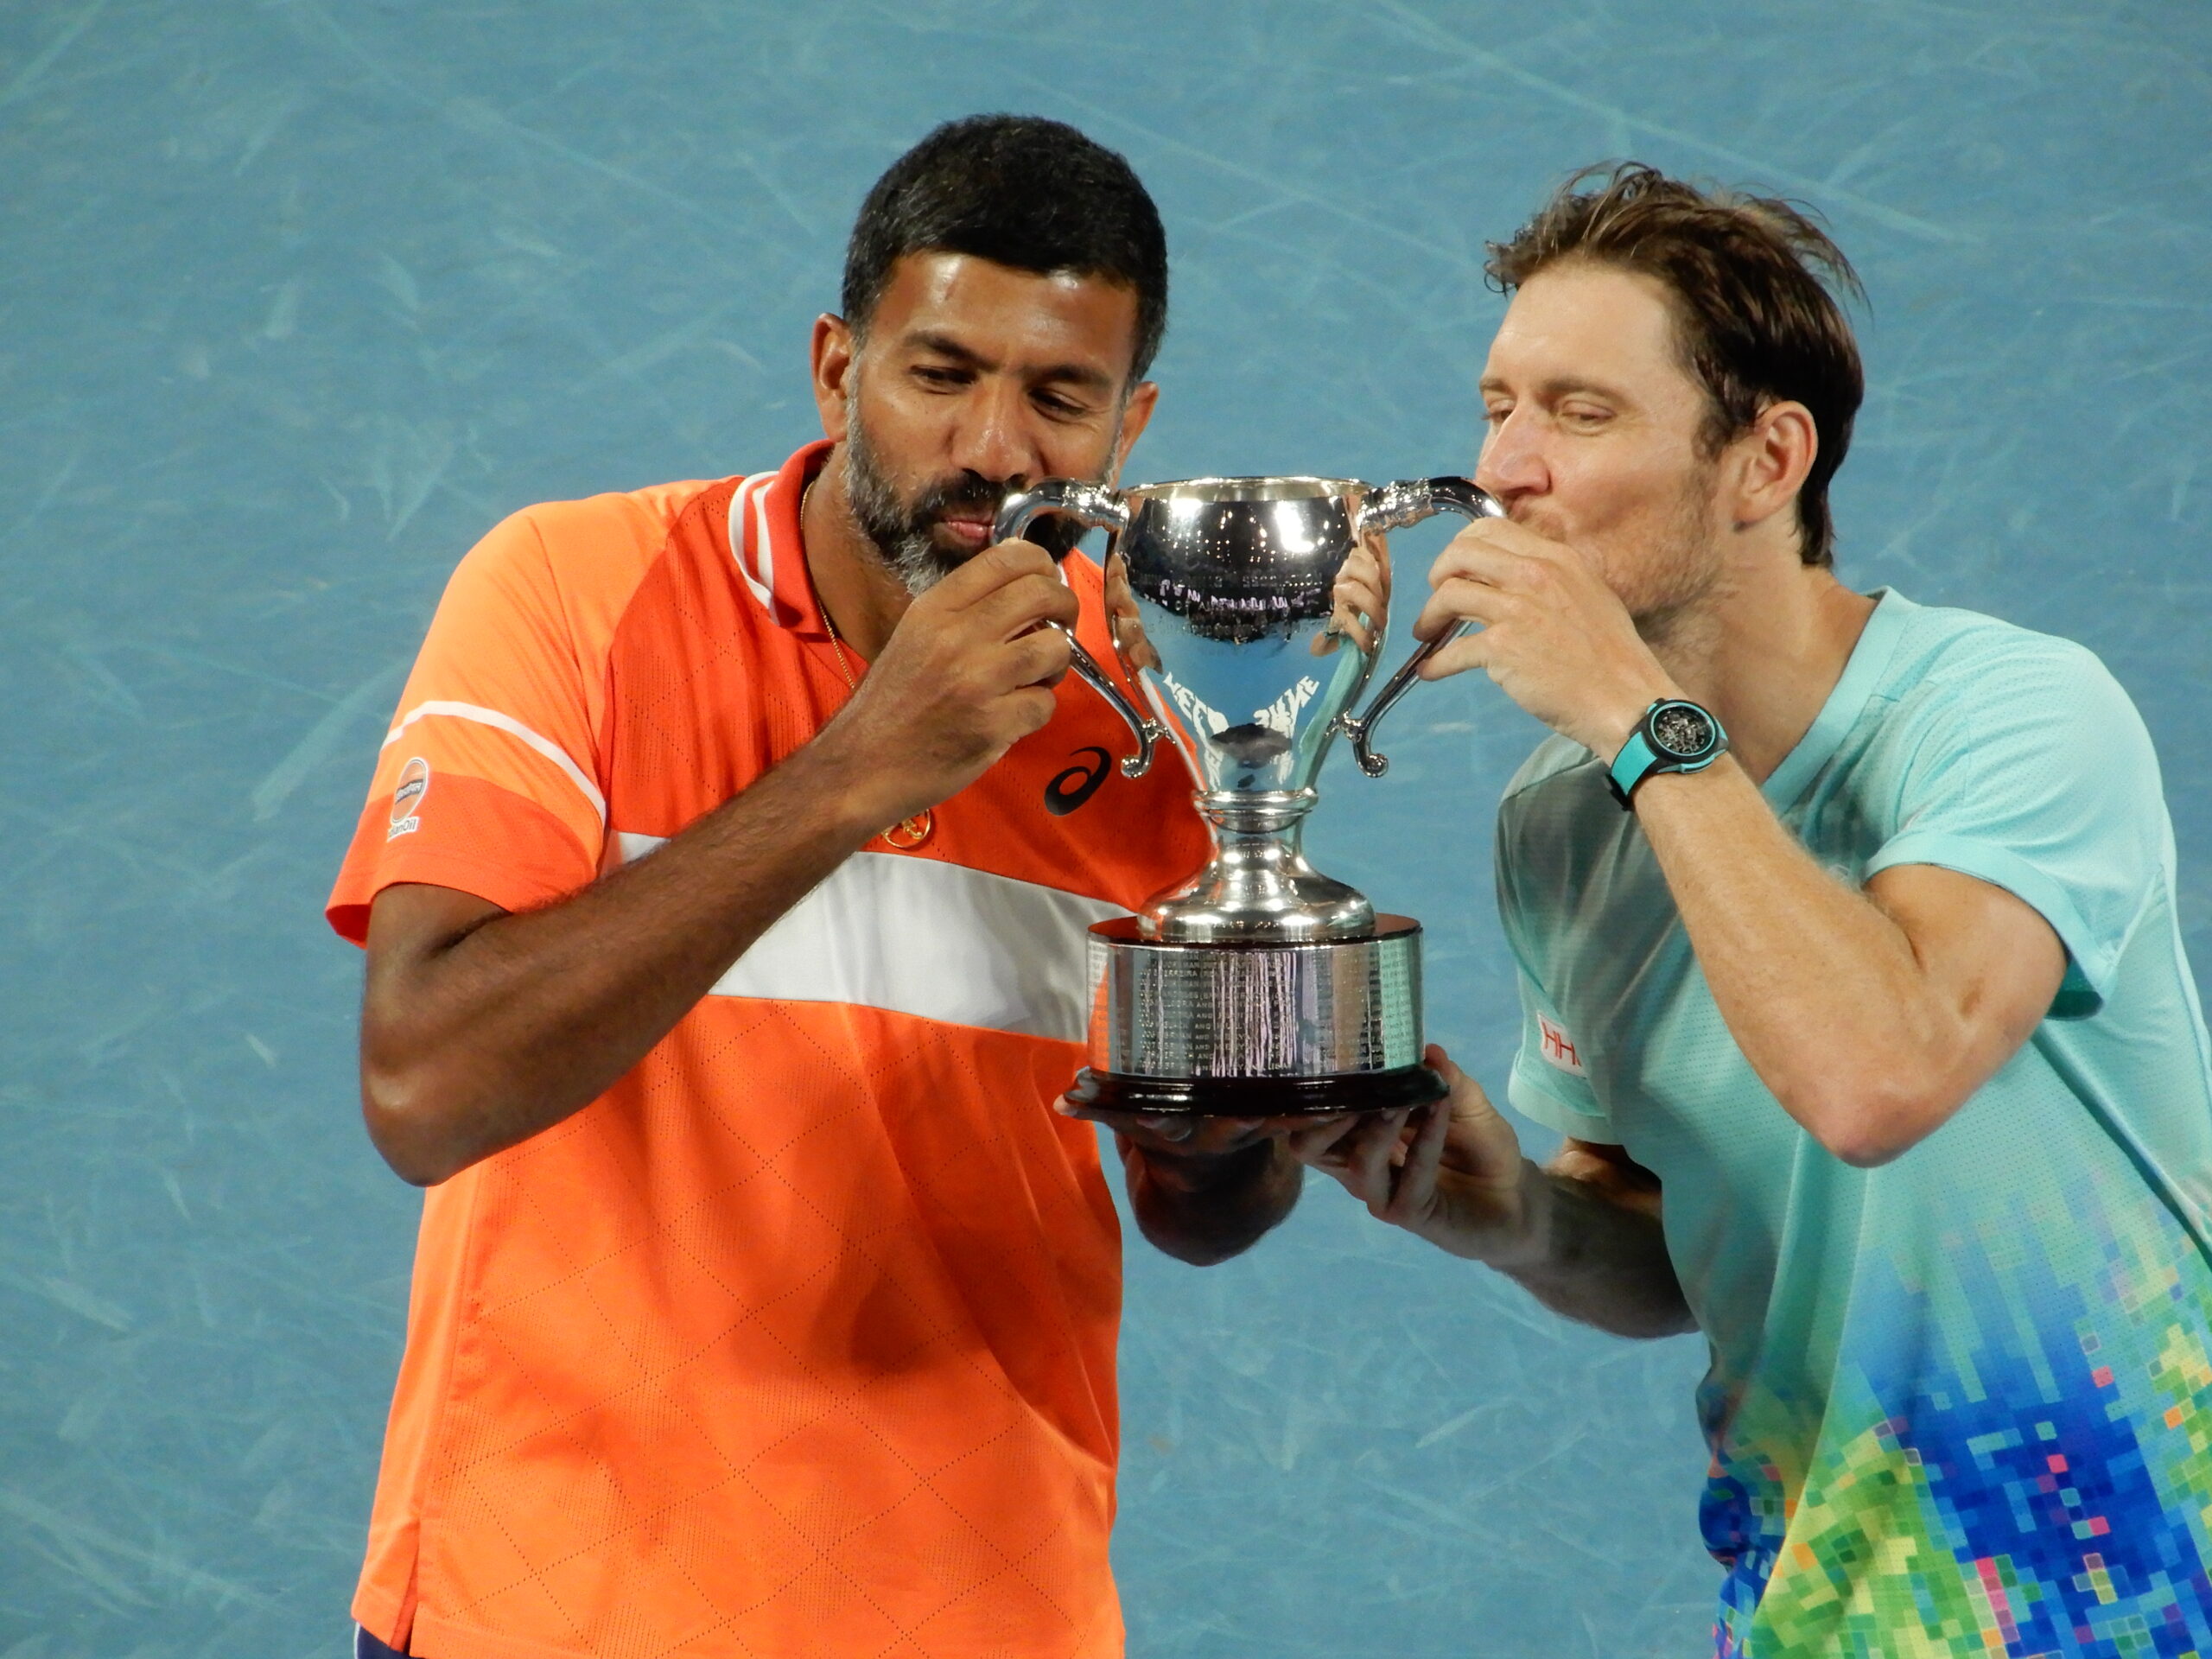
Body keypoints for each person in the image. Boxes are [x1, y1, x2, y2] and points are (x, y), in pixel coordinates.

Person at [327, 114, 1305, 1659]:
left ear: (1133, 425)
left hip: (988, 1615)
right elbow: (426, 1081)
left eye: (1060, 395)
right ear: (839, 371)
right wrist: (861, 768)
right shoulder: (571, 593)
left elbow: (1207, 1212)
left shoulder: (1166, 703)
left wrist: (1227, 1137)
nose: (995, 447)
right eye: (940, 373)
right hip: (552, 1611)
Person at [1294, 163, 2212, 1656]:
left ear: (1765, 462)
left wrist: (1629, 707)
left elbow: (1877, 1079)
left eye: (1580, 414)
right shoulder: (1562, 824)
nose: (1506, 470)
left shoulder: (2017, 715)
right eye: (1499, 405)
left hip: (2136, 1602)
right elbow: (1672, 1245)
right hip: (1807, 1613)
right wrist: (1518, 1216)